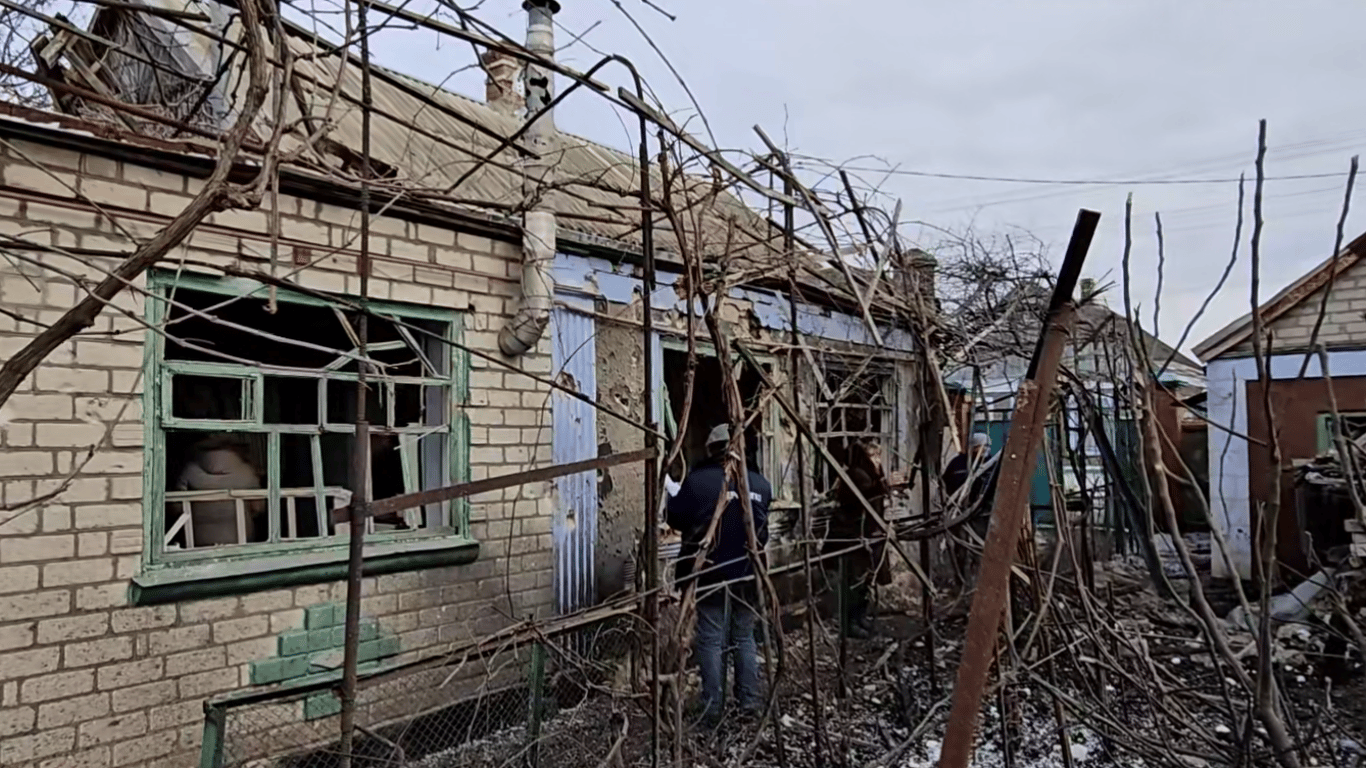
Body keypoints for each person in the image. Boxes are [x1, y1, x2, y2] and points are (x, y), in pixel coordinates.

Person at [667, 423, 772, 727]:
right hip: (748, 573)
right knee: (743, 635)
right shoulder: (760, 484)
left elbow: (674, 517)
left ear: (712, 449)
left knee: (711, 638)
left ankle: (713, 708)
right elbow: (761, 531)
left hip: (708, 572)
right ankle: (749, 702)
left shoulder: (697, 482)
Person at [827, 439, 893, 639]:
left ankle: (860, 616)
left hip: (868, 533)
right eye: (873, 456)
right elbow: (864, 495)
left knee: (866, 580)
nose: (877, 461)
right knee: (855, 581)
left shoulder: (871, 474)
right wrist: (884, 486)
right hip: (854, 536)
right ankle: (850, 623)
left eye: (878, 456)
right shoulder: (856, 474)